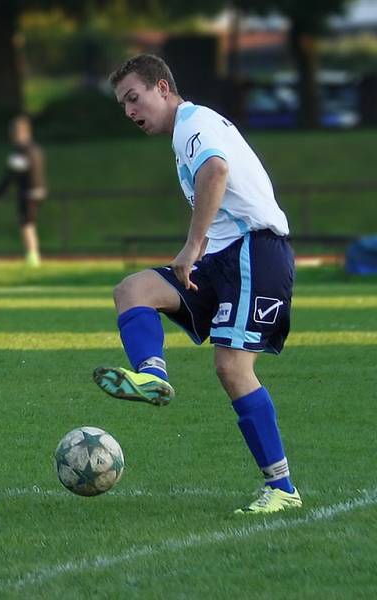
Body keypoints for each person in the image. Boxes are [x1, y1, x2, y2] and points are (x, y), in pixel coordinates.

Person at [95, 54, 301, 515]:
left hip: (254, 251)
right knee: (133, 291)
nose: (129, 111)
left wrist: (192, 246)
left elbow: (216, 171)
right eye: (123, 104)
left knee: (232, 368)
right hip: (223, 257)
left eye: (135, 98)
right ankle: (151, 376)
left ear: (163, 88)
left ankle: (282, 488)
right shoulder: (185, 132)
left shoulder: (193, 122)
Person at [0, 114, 46, 267]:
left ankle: (33, 257)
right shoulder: (36, 148)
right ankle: (34, 255)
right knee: (30, 224)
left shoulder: (21, 151)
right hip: (38, 191)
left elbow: (10, 176)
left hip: (28, 192)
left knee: (26, 224)